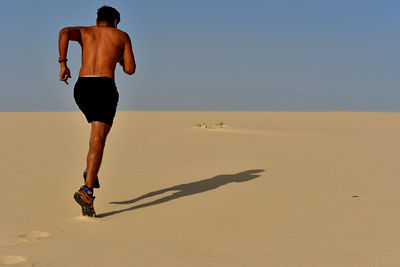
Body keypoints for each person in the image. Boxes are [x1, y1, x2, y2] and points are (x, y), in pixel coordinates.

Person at [58, 5, 136, 217]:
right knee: (98, 139)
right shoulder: (121, 35)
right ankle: (87, 189)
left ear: (97, 19)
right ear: (116, 21)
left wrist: (63, 64)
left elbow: (64, 32)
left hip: (82, 88)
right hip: (103, 88)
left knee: (96, 136)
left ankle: (89, 171)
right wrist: (119, 58)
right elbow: (130, 69)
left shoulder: (85, 31)